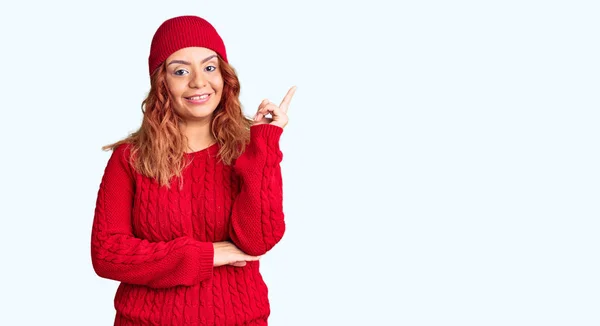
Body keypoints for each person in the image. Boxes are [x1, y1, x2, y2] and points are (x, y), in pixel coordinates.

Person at [90, 15, 295, 325]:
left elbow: (258, 241)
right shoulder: (129, 159)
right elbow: (107, 254)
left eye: (210, 67)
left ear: (225, 77)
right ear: (162, 83)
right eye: (181, 71)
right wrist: (207, 255)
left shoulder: (249, 151)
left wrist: (265, 143)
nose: (199, 82)